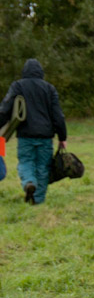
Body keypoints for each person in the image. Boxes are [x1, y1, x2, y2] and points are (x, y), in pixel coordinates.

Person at [0, 59, 68, 204]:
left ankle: (29, 182)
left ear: (24, 72)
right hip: (45, 136)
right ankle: (37, 201)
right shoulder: (49, 89)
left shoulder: (18, 86)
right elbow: (58, 115)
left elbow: (5, 109)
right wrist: (62, 137)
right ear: (41, 73)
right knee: (43, 168)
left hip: (25, 135)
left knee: (26, 162)